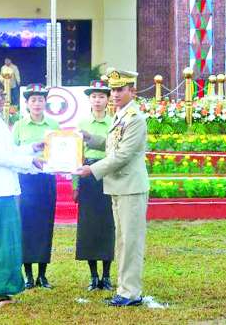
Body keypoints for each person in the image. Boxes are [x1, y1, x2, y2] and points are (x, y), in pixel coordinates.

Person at [78, 69, 149, 307]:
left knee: (131, 242)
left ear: (132, 91)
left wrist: (91, 170)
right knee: (122, 241)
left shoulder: (135, 118)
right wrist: (90, 138)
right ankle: (124, 288)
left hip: (130, 187)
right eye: (114, 90)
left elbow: (122, 155)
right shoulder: (121, 115)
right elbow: (112, 145)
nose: (115, 94)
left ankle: (131, 293)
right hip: (119, 186)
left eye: (120, 89)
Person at [0, 78, 45, 308]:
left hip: (7, 190)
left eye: (2, 95)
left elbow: (11, 151)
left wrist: (32, 148)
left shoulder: (1, 124)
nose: (0, 99)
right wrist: (30, 161)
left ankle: (3, 289)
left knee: (8, 242)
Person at [12, 84, 59, 289]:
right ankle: (28, 275)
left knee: (45, 226)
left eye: (40, 100)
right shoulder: (19, 126)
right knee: (27, 226)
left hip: (46, 180)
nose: (37, 104)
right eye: (33, 100)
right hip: (26, 180)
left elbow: (61, 151)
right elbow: (12, 153)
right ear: (27, 103)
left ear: (45, 102)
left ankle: (42, 274)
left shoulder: (53, 125)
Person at [74, 80, 115, 292]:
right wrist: (75, 184)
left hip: (107, 174)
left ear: (108, 100)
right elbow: (76, 156)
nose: (97, 100)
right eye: (94, 96)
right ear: (89, 99)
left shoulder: (114, 123)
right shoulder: (82, 123)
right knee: (88, 225)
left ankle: (106, 276)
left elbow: (116, 150)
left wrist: (93, 139)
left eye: (101, 96)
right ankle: (93, 276)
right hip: (86, 175)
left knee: (107, 224)